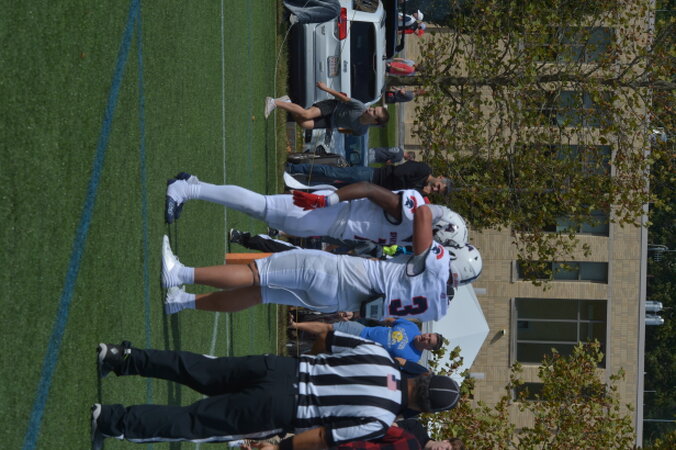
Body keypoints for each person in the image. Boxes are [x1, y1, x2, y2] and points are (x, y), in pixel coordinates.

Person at [90, 334, 460, 447]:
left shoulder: (382, 356)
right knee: (195, 423)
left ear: (422, 377)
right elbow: (324, 436)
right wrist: (281, 448)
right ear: (424, 409)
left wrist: (309, 367)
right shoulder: (380, 419)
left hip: (281, 368)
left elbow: (328, 337)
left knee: (200, 367)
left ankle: (122, 357)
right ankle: (111, 419)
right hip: (280, 408)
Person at [160, 202, 482, 320]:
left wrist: (442, 215)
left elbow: (422, 213)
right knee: (260, 294)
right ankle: (182, 303)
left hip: (336, 274)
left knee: (257, 274)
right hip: (335, 301)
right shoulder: (435, 304)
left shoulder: (436, 264)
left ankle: (179, 274)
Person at [165, 174, 468, 247]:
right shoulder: (415, 210)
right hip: (329, 212)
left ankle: (195, 184)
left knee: (260, 213)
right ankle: (185, 189)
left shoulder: (412, 237)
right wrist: (327, 200)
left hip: (326, 227)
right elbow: (368, 188)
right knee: (261, 204)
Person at [289, 316, 445, 362]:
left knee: (324, 349)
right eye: (428, 335)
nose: (425, 337)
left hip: (361, 349)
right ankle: (295, 325)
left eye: (428, 341)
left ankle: (299, 360)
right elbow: (389, 320)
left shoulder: (413, 358)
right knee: (328, 328)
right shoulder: (412, 327)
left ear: (428, 348)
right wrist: (363, 314)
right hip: (363, 330)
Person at [265, 82, 389, 136]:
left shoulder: (362, 130)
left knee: (304, 124)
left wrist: (337, 127)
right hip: (332, 107)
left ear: (374, 122)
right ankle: (273, 102)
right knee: (306, 114)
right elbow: (342, 97)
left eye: (374, 112)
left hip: (330, 122)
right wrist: (325, 88)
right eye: (373, 108)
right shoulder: (360, 107)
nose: (371, 109)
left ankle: (287, 102)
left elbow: (350, 131)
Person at [285, 159, 451, 195]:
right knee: (332, 173)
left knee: (333, 191)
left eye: (438, 191)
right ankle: (295, 168)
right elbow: (398, 172)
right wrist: (415, 187)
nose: (435, 189)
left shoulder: (420, 192)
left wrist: (418, 191)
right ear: (440, 177)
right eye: (439, 186)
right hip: (372, 176)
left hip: (372, 190)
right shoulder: (423, 169)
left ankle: (296, 189)